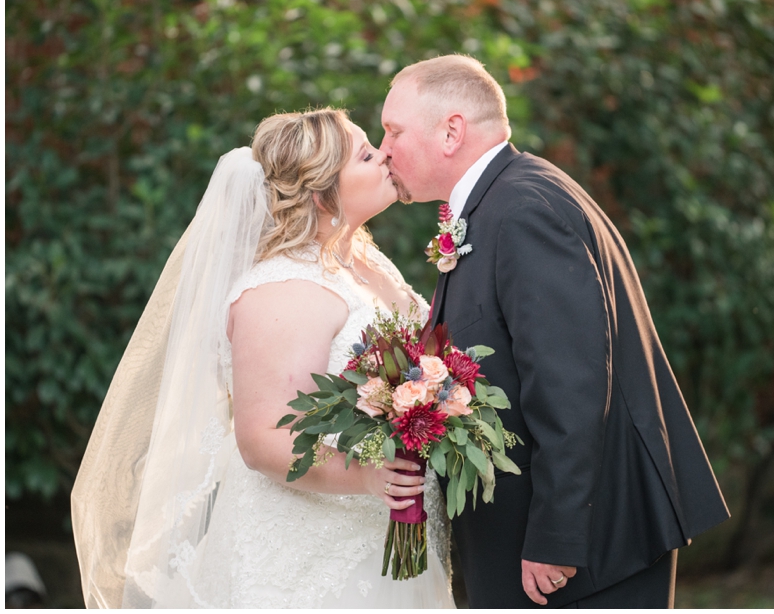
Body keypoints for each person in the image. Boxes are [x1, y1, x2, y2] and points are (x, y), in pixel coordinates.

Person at [380, 55, 730, 608]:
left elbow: (571, 381)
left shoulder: (522, 209)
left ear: (451, 131)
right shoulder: (506, 199)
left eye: (393, 130)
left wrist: (558, 537)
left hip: (578, 559)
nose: (384, 149)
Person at [71, 108, 455, 608]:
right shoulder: (283, 289)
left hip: (382, 537)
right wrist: (365, 476)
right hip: (308, 557)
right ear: (322, 193)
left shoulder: (361, 258)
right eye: (365, 153)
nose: (384, 154)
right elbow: (263, 438)